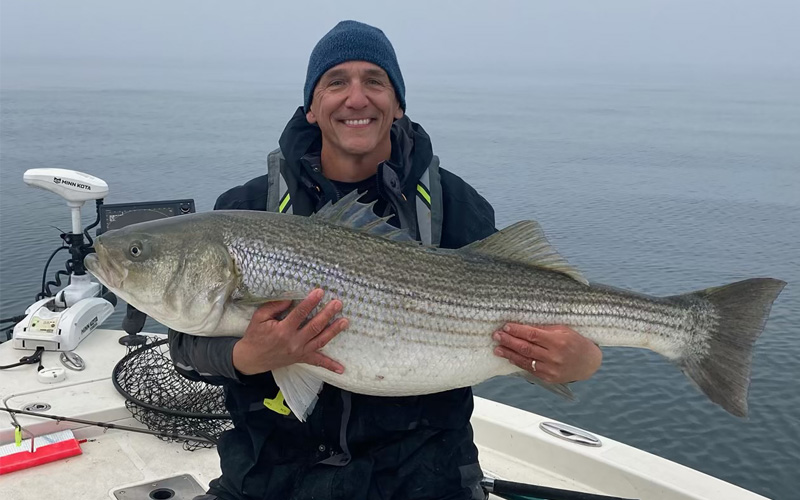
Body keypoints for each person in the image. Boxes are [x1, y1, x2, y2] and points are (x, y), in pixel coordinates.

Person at [169, 20, 602, 500]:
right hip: (271, 476)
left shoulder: (450, 203)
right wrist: (248, 356)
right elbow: (185, 346)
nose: (356, 98)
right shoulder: (248, 207)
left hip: (426, 479)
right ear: (311, 107)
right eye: (336, 82)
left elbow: (539, 315)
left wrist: (580, 361)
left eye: (375, 81)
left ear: (397, 103)